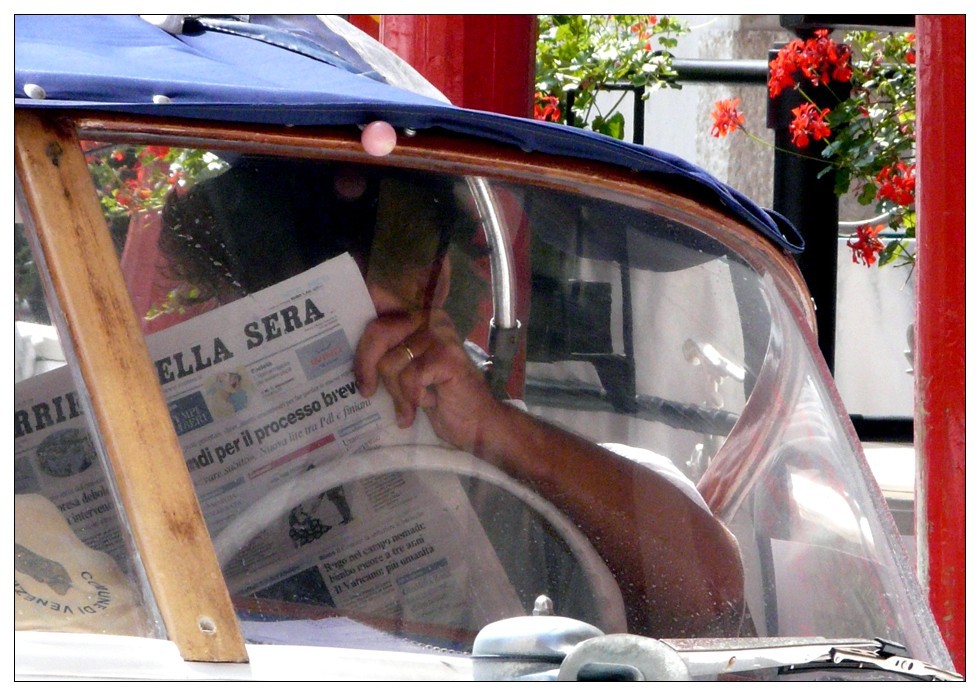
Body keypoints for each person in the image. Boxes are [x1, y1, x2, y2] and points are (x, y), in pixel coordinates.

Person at [159, 154, 745, 638]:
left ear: (436, 287)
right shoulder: (162, 453)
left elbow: (713, 596)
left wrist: (497, 432)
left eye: (370, 333)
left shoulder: (533, 461)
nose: (351, 371)